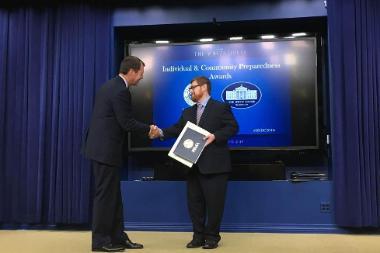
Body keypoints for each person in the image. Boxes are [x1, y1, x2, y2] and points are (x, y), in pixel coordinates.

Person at [150, 76, 238, 249]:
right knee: (195, 205)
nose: (190, 91)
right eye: (190, 88)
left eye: (193, 87)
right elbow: (176, 129)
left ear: (204, 87)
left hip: (215, 166)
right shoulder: (187, 112)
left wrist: (215, 136)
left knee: (214, 205)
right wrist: (160, 132)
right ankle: (198, 237)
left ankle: (212, 237)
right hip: (192, 165)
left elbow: (232, 127)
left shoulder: (221, 107)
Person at [82, 56, 156, 252]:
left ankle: (117, 237)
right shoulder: (120, 91)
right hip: (105, 150)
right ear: (131, 71)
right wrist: (149, 129)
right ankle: (100, 242)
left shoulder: (109, 85)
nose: (141, 78)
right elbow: (127, 123)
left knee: (113, 197)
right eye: (141, 73)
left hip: (103, 149)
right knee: (105, 197)